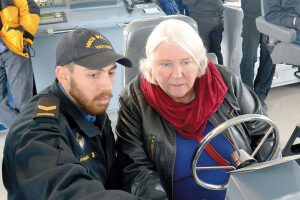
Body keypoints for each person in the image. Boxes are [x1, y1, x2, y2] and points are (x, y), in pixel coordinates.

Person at [116, 19, 280, 200]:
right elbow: (135, 167)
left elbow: (265, 133)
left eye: (186, 62)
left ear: (199, 62)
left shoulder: (224, 80)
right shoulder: (134, 100)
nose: (177, 74)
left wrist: (265, 187)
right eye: (165, 64)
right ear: (150, 66)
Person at [2, 28, 140, 200]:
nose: (107, 86)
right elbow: (69, 191)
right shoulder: (36, 131)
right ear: (63, 75)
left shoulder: (90, 104)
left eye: (111, 73)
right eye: (93, 74)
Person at [0, 0, 40, 128]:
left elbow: (31, 9)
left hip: (13, 49)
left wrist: (25, 37)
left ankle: (31, 137)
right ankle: (30, 133)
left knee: (24, 102)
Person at [239, 0, 276, 109]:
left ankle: (261, 95)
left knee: (270, 57)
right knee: (249, 57)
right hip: (251, 15)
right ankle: (247, 95)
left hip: (272, 17)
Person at [182, 0, 224, 64]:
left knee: (204, 52)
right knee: (214, 51)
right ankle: (218, 73)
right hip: (216, 19)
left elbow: (187, 2)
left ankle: (212, 73)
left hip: (204, 20)